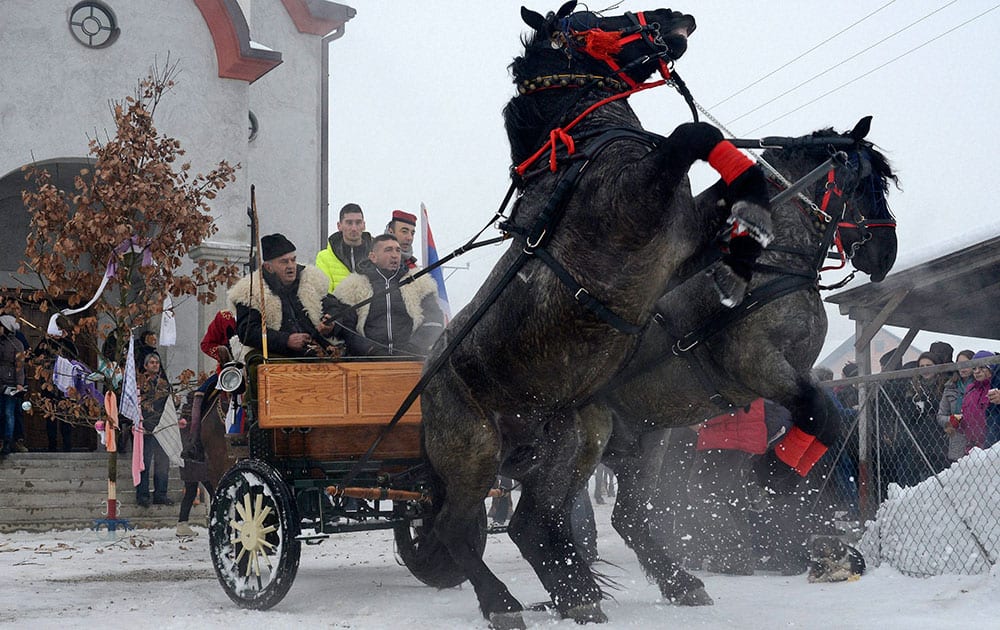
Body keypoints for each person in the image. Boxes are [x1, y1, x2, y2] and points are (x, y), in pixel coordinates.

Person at [676, 399, 768, 575]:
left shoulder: (727, 372)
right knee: (733, 498)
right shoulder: (746, 373)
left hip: (723, 436)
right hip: (742, 436)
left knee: (703, 493)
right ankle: (742, 557)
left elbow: (726, 399)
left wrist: (702, 422)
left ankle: (733, 555)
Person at [324, 234, 444, 357]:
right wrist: (370, 350)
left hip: (413, 360)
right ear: (373, 257)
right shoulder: (352, 287)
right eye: (388, 250)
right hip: (368, 362)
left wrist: (413, 348)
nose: (394, 255)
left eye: (398, 250)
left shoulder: (419, 283)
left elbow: (435, 321)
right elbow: (347, 329)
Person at [229, 233, 338, 358]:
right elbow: (248, 332)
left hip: (317, 353)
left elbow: (334, 306)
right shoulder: (251, 292)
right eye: (284, 262)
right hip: (276, 356)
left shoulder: (310, 281)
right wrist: (286, 340)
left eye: (293, 260)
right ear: (268, 267)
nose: (291, 266)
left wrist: (330, 321)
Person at [136, 352, 173, 507]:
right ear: (145, 366)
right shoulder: (141, 384)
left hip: (162, 428)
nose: (155, 365)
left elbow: (169, 404)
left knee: (163, 463)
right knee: (143, 463)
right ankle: (142, 495)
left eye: (157, 362)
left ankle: (161, 494)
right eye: (151, 362)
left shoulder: (164, 384)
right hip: (146, 428)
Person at [33, 332, 81, 452]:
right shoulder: (46, 342)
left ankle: (67, 447)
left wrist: (66, 339)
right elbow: (35, 356)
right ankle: (52, 447)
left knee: (66, 416)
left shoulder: (67, 343)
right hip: (49, 385)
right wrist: (45, 339)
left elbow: (75, 356)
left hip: (65, 385)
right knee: (50, 417)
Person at [176, 391, 214, 537]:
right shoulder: (195, 416)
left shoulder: (185, 415)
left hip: (188, 459)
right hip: (195, 459)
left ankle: (182, 523)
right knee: (212, 490)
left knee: (191, 492)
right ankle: (215, 520)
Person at [316, 203, 373, 292]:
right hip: (337, 305)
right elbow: (325, 293)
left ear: (364, 225)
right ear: (339, 226)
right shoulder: (324, 257)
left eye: (358, 222)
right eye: (349, 223)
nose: (354, 228)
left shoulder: (376, 255)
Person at [937, 349, 975, 464]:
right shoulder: (950, 387)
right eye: (959, 364)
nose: (962, 368)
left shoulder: (979, 385)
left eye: (966, 364)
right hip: (957, 436)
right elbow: (940, 415)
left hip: (977, 436)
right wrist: (952, 419)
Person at [0, 315, 26, 456]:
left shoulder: (17, 344)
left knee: (9, 412)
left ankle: (8, 441)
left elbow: (19, 366)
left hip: (10, 384)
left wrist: (19, 384)